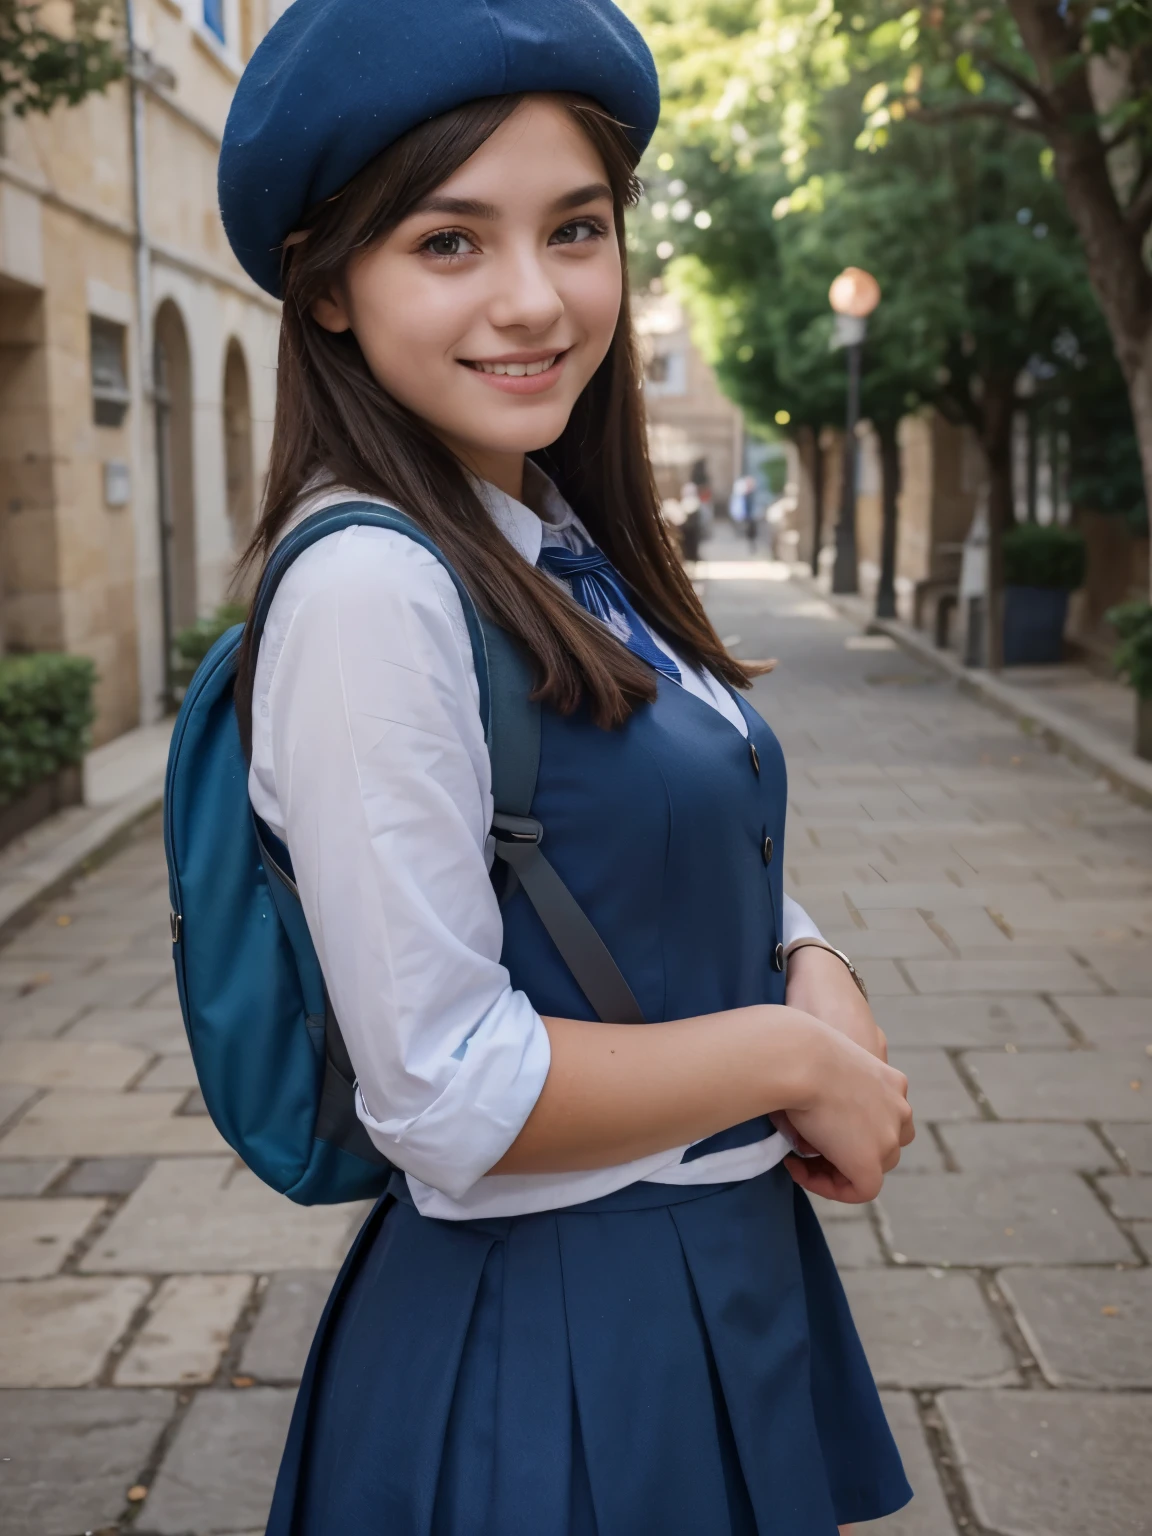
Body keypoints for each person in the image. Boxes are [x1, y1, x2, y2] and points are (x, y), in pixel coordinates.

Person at [218, 2, 915, 1530]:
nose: (535, 300)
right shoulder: (371, 591)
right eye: (450, 242)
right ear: (328, 286)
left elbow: (668, 835)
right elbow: (448, 1092)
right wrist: (796, 1063)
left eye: (577, 229)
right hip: (558, 1346)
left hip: (696, 1281)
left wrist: (814, 962)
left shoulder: (543, 537)